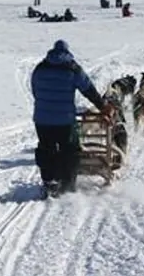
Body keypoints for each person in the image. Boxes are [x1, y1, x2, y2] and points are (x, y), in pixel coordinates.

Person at [31, 40, 113, 197]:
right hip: (65, 120)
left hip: (42, 119)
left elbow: (35, 90)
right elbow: (88, 89)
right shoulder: (72, 68)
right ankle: (67, 186)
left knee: (46, 148)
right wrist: (102, 106)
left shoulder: (40, 68)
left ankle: (49, 181)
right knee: (70, 151)